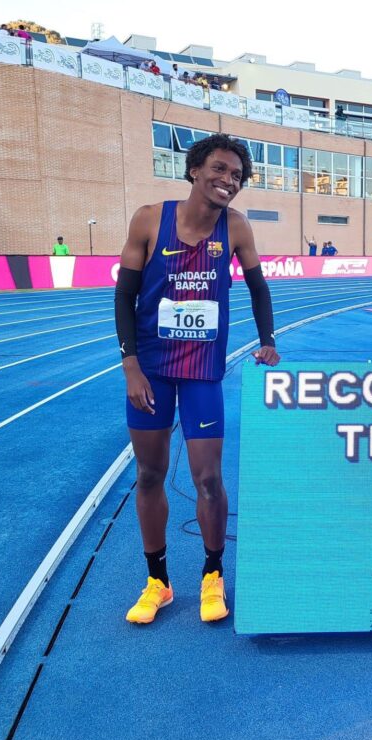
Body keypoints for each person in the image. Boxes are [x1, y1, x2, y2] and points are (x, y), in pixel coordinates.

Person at [115, 132, 279, 625]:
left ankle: (212, 574)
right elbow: (124, 296)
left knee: (208, 479)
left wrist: (267, 337)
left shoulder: (236, 228)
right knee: (150, 475)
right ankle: (158, 582)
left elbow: (258, 288)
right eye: (221, 169)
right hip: (152, 371)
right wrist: (130, 365)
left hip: (202, 371)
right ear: (194, 170)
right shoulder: (149, 219)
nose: (228, 180)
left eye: (237, 176)